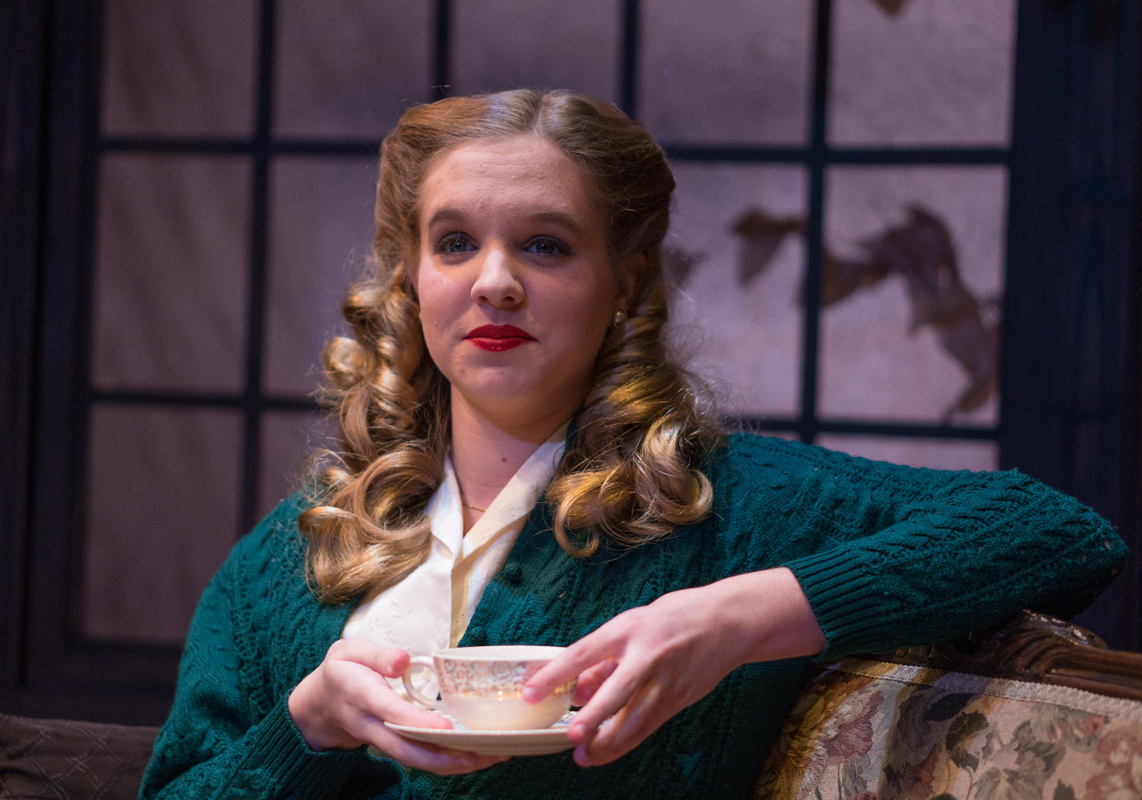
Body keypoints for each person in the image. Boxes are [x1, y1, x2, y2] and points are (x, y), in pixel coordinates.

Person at [140, 89, 1129, 799]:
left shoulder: (727, 506)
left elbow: (1058, 531)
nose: (495, 282)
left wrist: (737, 617)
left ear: (625, 279)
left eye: (545, 245)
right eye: (455, 243)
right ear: (411, 278)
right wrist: (308, 724)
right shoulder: (291, 556)